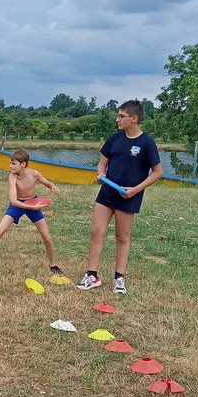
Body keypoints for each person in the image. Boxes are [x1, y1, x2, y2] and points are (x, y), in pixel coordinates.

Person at [76, 99, 163, 294]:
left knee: (122, 235)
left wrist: (135, 190)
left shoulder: (147, 143)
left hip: (128, 196)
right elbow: (102, 163)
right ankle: (92, 275)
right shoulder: (114, 139)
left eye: (121, 116)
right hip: (107, 192)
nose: (117, 119)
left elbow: (158, 172)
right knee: (96, 231)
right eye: (118, 116)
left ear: (134, 118)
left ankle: (119, 278)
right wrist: (101, 175)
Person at [0, 149, 64, 276]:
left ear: (23, 164)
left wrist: (53, 187)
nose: (10, 166)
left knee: (46, 237)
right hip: (18, 205)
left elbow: (47, 182)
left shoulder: (34, 173)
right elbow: (13, 201)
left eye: (13, 164)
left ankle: (53, 265)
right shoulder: (12, 177)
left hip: (33, 202)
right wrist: (31, 207)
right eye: (10, 163)